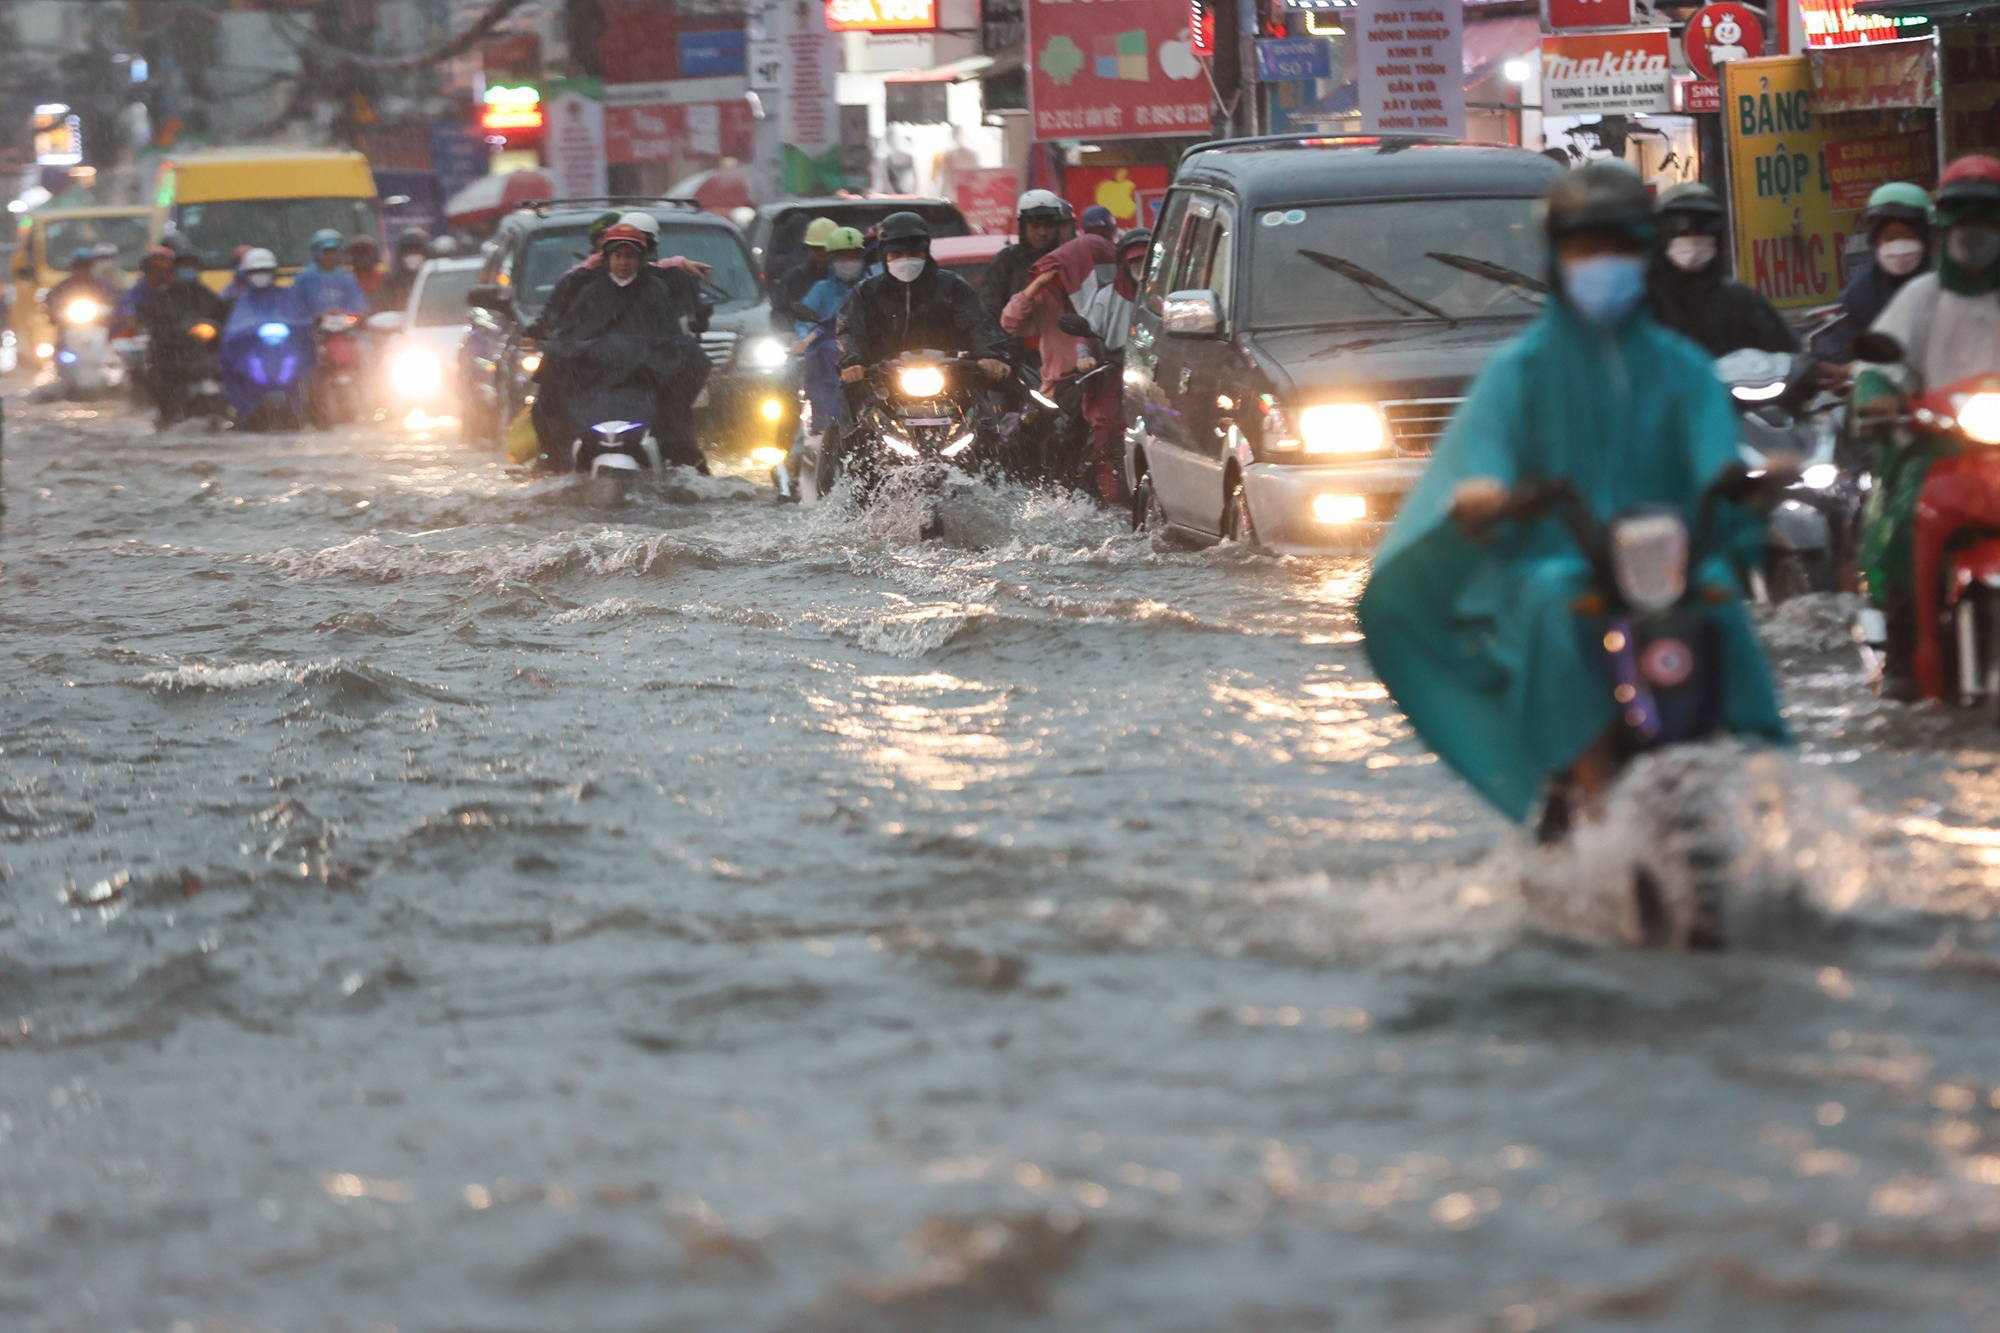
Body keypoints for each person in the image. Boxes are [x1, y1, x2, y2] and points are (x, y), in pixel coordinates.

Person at [1358, 162, 1787, 831]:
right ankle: (1600, 787)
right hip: (1555, 562)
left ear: (1644, 255)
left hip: (1666, 565)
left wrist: (1746, 479)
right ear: (1559, 257)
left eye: (1619, 247)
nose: (1604, 264)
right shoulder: (1518, 372)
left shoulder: (1683, 368)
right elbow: (1484, 457)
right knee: (1557, 603)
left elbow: (1715, 456)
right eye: (1589, 248)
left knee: (1720, 600)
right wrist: (1484, 493)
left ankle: (1756, 788)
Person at [1852, 155, 2000, 698]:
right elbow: (1879, 369)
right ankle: (1907, 658)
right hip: (1938, 451)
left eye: (1987, 217)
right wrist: (1877, 398)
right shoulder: (1923, 298)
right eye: (1963, 216)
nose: (1974, 231)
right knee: (1904, 523)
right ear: (1945, 224)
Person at [539, 219, 711, 472]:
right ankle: (556, 463)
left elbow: (669, 338)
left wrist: (650, 358)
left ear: (641, 259)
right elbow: (568, 335)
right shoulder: (588, 292)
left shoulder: (656, 291)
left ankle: (681, 461)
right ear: (606, 258)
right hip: (595, 385)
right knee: (547, 406)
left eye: (629, 256)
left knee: (677, 430)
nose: (622, 263)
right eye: (617, 256)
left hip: (643, 384)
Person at [835, 211, 1008, 422]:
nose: (906, 260)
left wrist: (990, 355)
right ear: (884, 255)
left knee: (990, 428)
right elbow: (851, 330)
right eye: (897, 254)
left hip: (952, 384)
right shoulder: (866, 293)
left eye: (914, 253)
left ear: (926, 252)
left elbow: (977, 323)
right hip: (882, 387)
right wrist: (853, 363)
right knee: (848, 433)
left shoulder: (952, 287)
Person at [1646, 182, 1798, 356]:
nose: (1694, 238)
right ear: (1663, 235)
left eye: (1703, 230)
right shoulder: (1647, 304)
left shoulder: (1740, 299)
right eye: (1683, 229)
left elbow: (1785, 351)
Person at [1817, 182, 1932, 363]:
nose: (1899, 246)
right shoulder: (1861, 292)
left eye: (1909, 236)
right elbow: (1839, 343)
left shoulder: (1947, 282)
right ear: (1876, 241)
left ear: (1926, 237)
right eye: (1890, 238)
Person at [1075, 228, 1151, 504]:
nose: (1141, 269)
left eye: (1147, 262)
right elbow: (1085, 332)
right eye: (1135, 263)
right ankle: (1113, 503)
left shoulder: (1167, 295)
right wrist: (1085, 356)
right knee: (1104, 439)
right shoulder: (1105, 298)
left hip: (1157, 379)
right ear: (1123, 265)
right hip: (1113, 380)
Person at [1001, 232, 1116, 394]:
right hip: (1061, 386)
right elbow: (1010, 322)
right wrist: (1036, 285)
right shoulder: (1050, 295)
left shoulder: (1111, 297)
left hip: (1109, 381)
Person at [792, 226, 867, 456]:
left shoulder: (873, 287)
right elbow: (805, 322)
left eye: (854, 256)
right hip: (828, 368)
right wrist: (804, 339)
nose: (849, 262)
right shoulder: (821, 290)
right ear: (832, 260)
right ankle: (796, 460)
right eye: (843, 257)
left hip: (867, 364)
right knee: (816, 413)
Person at [980, 189, 1068, 325]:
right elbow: (990, 310)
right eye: (1035, 226)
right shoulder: (1006, 261)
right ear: (1023, 227)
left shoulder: (1067, 259)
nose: (1043, 233)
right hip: (1014, 343)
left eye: (1049, 226)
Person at [291, 228, 369, 317]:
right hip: (312, 329)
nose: (332, 256)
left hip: (345, 327)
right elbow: (295, 308)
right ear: (316, 253)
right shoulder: (303, 278)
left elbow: (359, 305)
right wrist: (316, 318)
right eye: (327, 252)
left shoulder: (347, 277)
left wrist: (343, 314)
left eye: (335, 251)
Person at [772, 216, 838, 313]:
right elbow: (779, 314)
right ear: (808, 249)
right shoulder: (793, 279)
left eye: (826, 250)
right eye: (816, 249)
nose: (821, 255)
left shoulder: (846, 280)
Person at [47, 247, 117, 327]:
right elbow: (52, 301)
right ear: (73, 267)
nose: (82, 269)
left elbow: (114, 299)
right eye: (79, 266)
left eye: (85, 266)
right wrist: (55, 312)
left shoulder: (103, 284)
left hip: (98, 326)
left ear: (91, 267)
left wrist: (106, 309)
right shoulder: (63, 286)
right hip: (68, 328)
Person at [115, 246, 179, 333]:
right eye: (155, 269)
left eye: (166, 270)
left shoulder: (181, 292)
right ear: (147, 270)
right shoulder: (135, 293)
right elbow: (128, 318)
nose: (161, 274)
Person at [371, 229, 433, 314]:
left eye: (416, 251)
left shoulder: (434, 278)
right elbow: (383, 309)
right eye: (408, 252)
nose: (412, 255)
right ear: (401, 254)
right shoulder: (392, 282)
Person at [349, 234, 385, 304]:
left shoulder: (383, 273)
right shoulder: (348, 275)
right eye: (358, 253)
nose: (363, 257)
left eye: (366, 252)